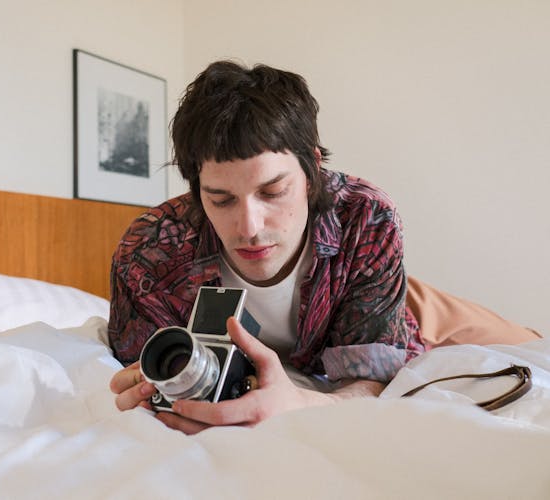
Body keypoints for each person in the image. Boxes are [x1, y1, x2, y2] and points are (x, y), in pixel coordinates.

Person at [107, 60, 540, 435]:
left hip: (387, 298)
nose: (250, 227)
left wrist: (306, 405)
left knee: (526, 345)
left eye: (274, 191)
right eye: (221, 200)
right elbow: (142, 376)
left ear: (312, 169)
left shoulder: (365, 218)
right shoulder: (149, 254)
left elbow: (373, 380)